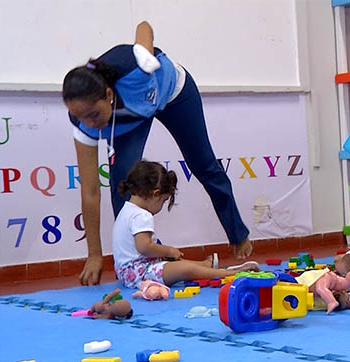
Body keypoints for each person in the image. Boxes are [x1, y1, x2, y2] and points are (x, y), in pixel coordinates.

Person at [62, 21, 252, 286]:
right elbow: (90, 192)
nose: (91, 125)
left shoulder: (134, 70)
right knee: (125, 188)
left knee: (203, 164)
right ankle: (141, 262)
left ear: (108, 95)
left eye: (94, 115)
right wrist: (95, 255)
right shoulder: (85, 123)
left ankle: (238, 234)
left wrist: (144, 50)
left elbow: (143, 25)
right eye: (83, 119)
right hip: (131, 118)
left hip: (174, 95)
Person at [112, 160, 258, 289]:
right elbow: (144, 247)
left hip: (127, 272)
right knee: (184, 269)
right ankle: (228, 273)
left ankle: (203, 265)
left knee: (177, 263)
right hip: (139, 273)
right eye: (163, 201)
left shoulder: (126, 209)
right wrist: (168, 251)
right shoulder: (142, 215)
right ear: (155, 194)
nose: (161, 206)